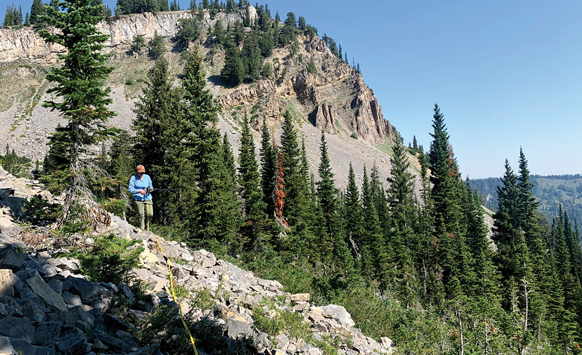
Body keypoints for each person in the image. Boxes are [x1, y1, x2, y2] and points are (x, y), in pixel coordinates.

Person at [128, 165, 153, 231]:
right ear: (137, 172)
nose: (141, 174)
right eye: (140, 173)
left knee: (150, 214)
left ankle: (146, 226)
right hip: (138, 199)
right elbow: (130, 189)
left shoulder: (147, 177)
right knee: (141, 214)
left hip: (147, 198)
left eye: (142, 173)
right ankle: (141, 229)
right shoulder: (133, 178)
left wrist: (150, 189)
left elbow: (151, 187)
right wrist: (139, 191)